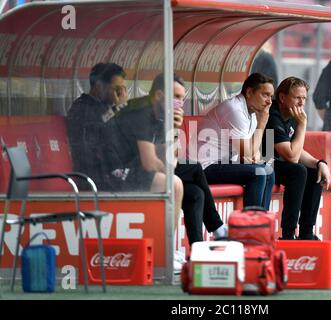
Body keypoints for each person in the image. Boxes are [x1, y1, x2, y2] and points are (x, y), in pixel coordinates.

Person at [67, 62, 184, 236]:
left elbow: (164, 155)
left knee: (185, 181)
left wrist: (173, 130)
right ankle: (166, 245)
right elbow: (96, 132)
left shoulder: (119, 110)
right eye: (117, 89)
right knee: (174, 183)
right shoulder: (83, 107)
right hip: (98, 173)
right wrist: (120, 107)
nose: (121, 94)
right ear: (99, 86)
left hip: (123, 167)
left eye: (123, 89)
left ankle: (170, 245)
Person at [115, 73, 227, 246]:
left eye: (182, 98)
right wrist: (168, 165)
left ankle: (197, 247)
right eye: (176, 97)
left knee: (195, 194)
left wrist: (174, 129)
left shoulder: (160, 114)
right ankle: (216, 229)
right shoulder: (142, 113)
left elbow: (171, 156)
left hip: (138, 168)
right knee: (194, 168)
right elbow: (150, 163)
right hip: (120, 172)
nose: (180, 103)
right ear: (159, 95)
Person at [263, 77, 331, 240]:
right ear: (282, 98)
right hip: (260, 162)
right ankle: (288, 234)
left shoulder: (293, 114)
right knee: (298, 171)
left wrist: (319, 163)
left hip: (277, 163)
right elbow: (292, 157)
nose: (301, 103)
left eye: (304, 98)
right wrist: (302, 125)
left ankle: (306, 232)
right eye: (297, 98)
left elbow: (297, 151)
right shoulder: (272, 116)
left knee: (315, 172)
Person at [196, 73, 275, 210]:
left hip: (223, 163)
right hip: (204, 166)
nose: (269, 101)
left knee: (268, 171)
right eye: (265, 95)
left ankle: (261, 223)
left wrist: (252, 154)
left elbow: (253, 154)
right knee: (259, 173)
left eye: (271, 96)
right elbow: (248, 155)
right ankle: (251, 225)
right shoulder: (234, 109)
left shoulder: (252, 113)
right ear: (249, 92)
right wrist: (262, 125)